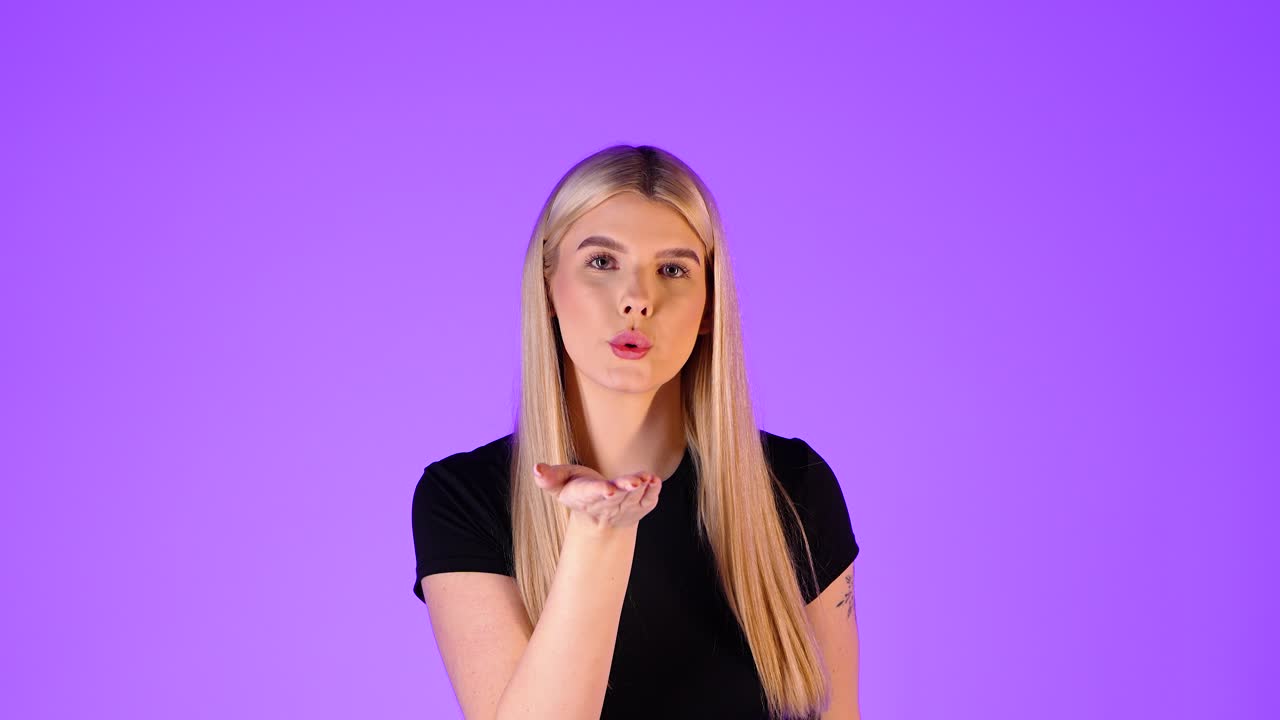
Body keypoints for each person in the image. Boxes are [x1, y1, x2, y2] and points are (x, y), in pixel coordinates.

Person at [411, 144, 861, 719]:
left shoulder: (795, 487)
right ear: (548, 288)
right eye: (603, 262)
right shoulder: (463, 498)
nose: (638, 299)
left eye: (673, 270)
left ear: (707, 308)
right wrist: (600, 534)